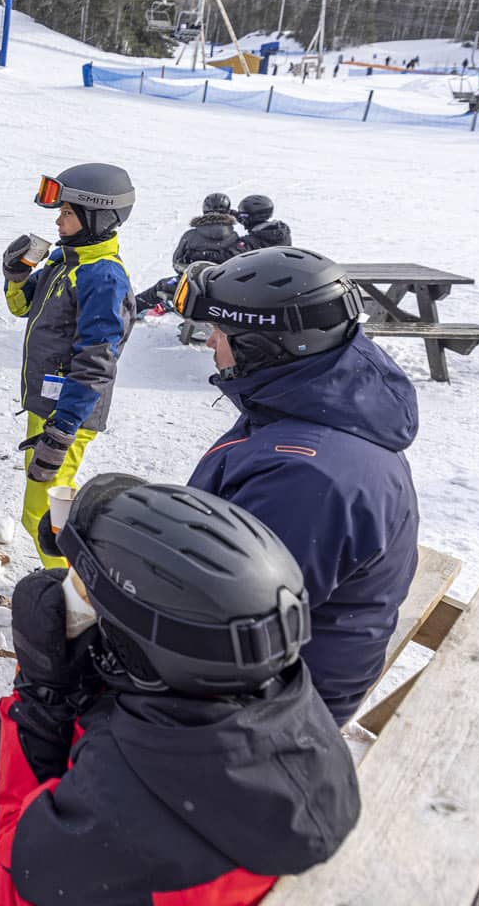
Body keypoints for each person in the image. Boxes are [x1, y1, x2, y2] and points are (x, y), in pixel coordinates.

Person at [0, 477, 360, 905]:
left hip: (69, 875)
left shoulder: (124, 804)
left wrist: (41, 694)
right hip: (186, 864)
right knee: (1, 734)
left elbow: (13, 878)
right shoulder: (269, 686)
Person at [168, 246, 420, 724]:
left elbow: (224, 630)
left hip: (272, 713)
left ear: (264, 349)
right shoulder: (311, 401)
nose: (210, 345)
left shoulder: (303, 476)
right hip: (278, 671)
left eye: (220, 332)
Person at [1, 164, 136, 566]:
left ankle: (72, 595)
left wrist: (62, 429)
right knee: (46, 513)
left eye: (67, 213)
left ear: (98, 216)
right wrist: (16, 275)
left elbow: (97, 361)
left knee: (45, 519)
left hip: (67, 416)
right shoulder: (66, 261)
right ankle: (71, 589)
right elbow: (21, 307)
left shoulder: (102, 277)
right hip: (48, 409)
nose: (58, 221)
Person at [170, 192, 244, 270]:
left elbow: (177, 261)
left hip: (194, 279)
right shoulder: (234, 237)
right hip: (225, 279)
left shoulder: (190, 236)